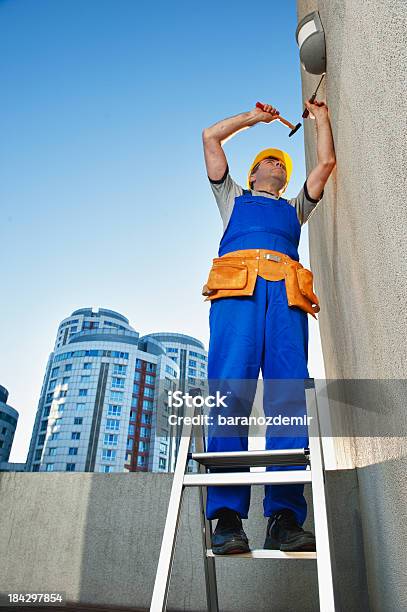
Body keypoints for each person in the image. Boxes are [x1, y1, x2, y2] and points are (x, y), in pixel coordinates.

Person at [201, 100, 336, 554]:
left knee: (287, 395)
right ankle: (226, 519)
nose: (278, 163)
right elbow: (210, 137)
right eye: (268, 161)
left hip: (286, 300)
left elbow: (327, 164)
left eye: (283, 162)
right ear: (254, 174)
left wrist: (322, 120)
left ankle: (283, 517)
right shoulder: (233, 198)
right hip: (238, 295)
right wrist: (253, 119)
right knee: (229, 391)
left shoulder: (295, 210)